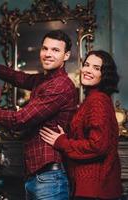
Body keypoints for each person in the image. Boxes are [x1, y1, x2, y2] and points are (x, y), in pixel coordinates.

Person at [0, 30, 78, 200]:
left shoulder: (59, 85)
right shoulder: (46, 80)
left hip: (49, 178)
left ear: (66, 55)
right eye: (45, 48)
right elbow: (20, 78)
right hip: (38, 175)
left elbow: (20, 120)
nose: (47, 54)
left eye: (55, 50)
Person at [39, 50, 122, 200]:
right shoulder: (92, 99)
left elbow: (97, 146)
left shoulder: (98, 101)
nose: (88, 70)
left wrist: (61, 142)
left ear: (105, 75)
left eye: (96, 68)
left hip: (95, 190)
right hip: (91, 188)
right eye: (87, 65)